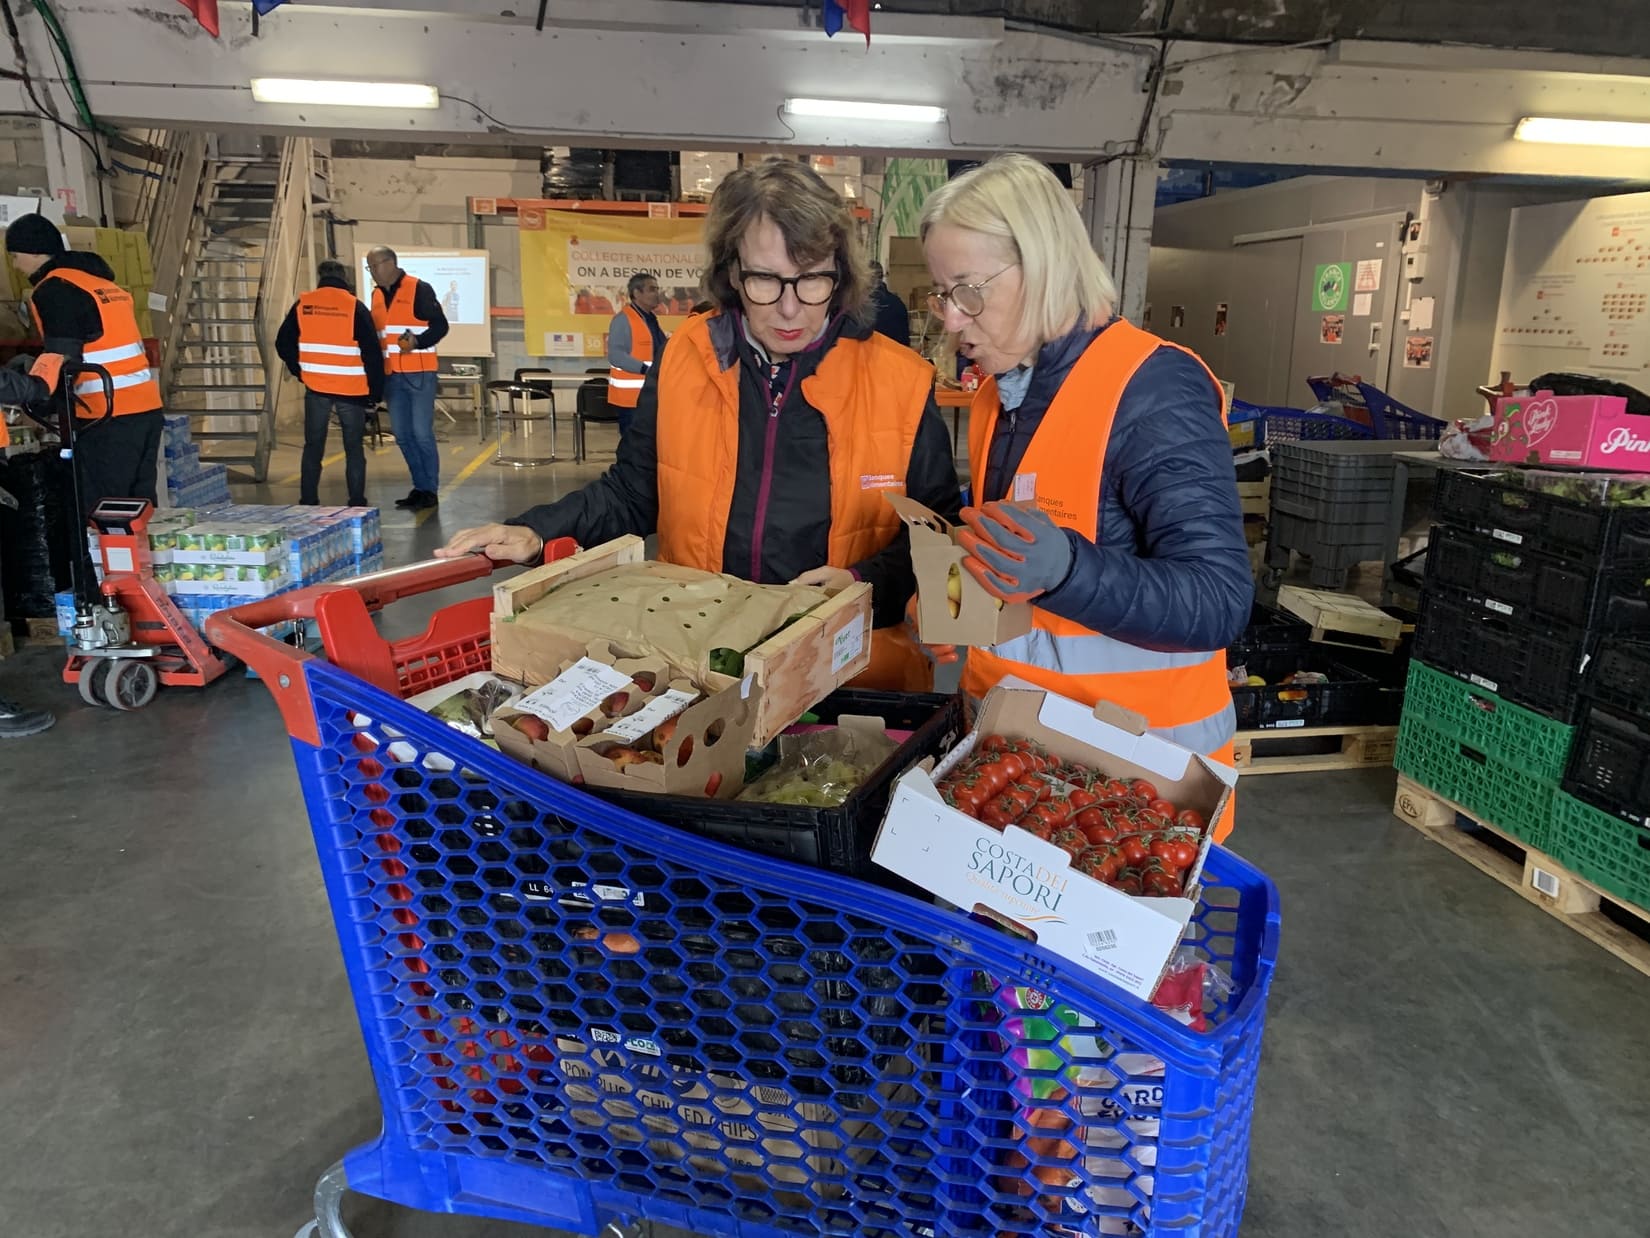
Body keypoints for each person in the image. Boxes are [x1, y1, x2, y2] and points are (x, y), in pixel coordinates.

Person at [438, 158, 961, 692]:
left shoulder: (901, 380)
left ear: (840, 273)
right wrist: (539, 528)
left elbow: (939, 533)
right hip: (699, 670)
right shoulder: (686, 356)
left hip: (846, 673)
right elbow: (634, 492)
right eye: (764, 280)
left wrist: (860, 582)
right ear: (732, 274)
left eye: (811, 280)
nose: (788, 309)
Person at [920, 154, 1251, 839]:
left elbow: (1219, 600)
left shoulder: (1153, 390)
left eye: (968, 291)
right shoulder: (999, 396)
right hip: (1020, 775)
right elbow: (1023, 587)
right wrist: (959, 598)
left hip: (1136, 798)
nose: (952, 318)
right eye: (941, 293)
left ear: (1040, 265)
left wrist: (1069, 570)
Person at [5, 213, 163, 521]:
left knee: (103, 511)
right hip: (144, 408)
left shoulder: (54, 290)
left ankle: (112, 569)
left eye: (15, 256)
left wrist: (38, 399)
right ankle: (139, 568)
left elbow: (63, 358)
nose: (14, 265)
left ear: (35, 252)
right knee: (139, 508)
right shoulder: (99, 282)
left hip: (104, 414)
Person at [275, 259, 385, 507]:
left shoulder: (303, 305)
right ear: (345, 278)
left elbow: (283, 343)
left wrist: (300, 371)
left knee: (313, 447)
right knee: (354, 450)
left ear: (319, 276)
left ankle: (309, 500)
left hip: (317, 389)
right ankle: (356, 502)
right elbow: (372, 355)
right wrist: (375, 395)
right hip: (352, 391)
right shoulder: (354, 307)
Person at [367, 246, 448, 511]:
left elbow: (441, 326)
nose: (373, 272)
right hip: (392, 377)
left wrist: (417, 342)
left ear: (390, 263)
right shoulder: (376, 295)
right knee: (402, 435)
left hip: (419, 373)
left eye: (375, 266)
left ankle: (430, 490)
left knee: (422, 434)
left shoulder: (419, 289)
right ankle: (419, 486)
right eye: (369, 268)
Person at [606, 271, 669, 437]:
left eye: (657, 289)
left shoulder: (650, 319)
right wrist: (647, 370)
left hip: (650, 396)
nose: (657, 294)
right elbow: (616, 355)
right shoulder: (623, 319)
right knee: (632, 447)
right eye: (652, 289)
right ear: (636, 293)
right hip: (631, 400)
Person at [867, 260, 912, 348]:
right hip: (897, 357)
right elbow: (905, 341)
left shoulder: (861, 306)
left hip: (872, 358)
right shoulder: (897, 303)